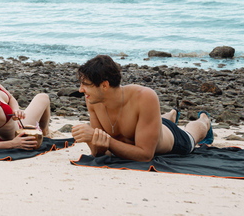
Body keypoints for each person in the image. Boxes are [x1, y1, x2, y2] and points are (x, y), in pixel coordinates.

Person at [72, 55, 213, 161]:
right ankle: (171, 114)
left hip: (172, 139)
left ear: (104, 86)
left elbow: (145, 155)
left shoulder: (144, 97)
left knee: (192, 135)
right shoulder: (93, 100)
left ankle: (204, 121)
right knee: (157, 120)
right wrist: (91, 139)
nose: (80, 90)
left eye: (85, 84)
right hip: (148, 124)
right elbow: (100, 153)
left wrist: (106, 140)